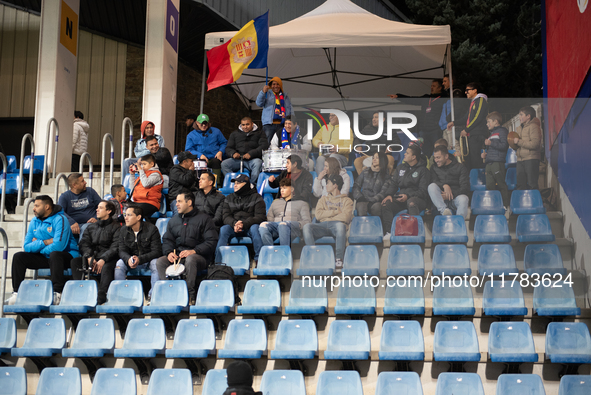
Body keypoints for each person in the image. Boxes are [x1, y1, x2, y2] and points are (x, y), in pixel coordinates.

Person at [7, 195, 79, 305]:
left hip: (67, 255)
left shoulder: (60, 219)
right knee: (19, 256)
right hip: (46, 256)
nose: (33, 208)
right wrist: (45, 242)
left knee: (55, 254)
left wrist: (38, 247)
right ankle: (17, 293)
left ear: (47, 207)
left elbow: (59, 246)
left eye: (37, 205)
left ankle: (57, 292)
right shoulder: (34, 221)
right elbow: (26, 246)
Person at [156, 190, 218, 304]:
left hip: (199, 257)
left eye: (179, 201)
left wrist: (194, 251)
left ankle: (190, 295)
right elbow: (167, 240)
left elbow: (211, 241)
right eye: (176, 202)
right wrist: (169, 252)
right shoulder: (173, 220)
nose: (176, 204)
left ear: (189, 202)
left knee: (191, 259)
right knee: (160, 261)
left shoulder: (205, 219)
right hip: (179, 256)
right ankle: (167, 294)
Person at [70, 200, 121, 304]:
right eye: (97, 207)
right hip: (93, 257)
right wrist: (89, 257)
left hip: (109, 258)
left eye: (101, 208)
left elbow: (116, 247)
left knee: (107, 266)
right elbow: (84, 244)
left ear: (109, 211)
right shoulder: (91, 227)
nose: (97, 210)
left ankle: (102, 294)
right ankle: (81, 291)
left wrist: (103, 259)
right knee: (76, 262)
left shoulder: (117, 227)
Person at [376, 145, 430, 236]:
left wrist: (408, 196)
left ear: (414, 157)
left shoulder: (423, 171)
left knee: (411, 202)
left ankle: (414, 233)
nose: (404, 154)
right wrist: (389, 194)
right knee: (386, 204)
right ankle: (389, 233)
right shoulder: (400, 167)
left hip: (417, 199)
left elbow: (423, 191)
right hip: (401, 197)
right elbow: (394, 184)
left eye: (407, 153)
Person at [303, 174, 353, 269]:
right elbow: (318, 215)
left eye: (328, 183)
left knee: (340, 226)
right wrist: (335, 212)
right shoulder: (323, 199)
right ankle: (313, 257)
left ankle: (339, 259)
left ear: (335, 185)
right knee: (307, 227)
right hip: (322, 225)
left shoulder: (347, 201)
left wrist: (327, 216)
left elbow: (345, 217)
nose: (326, 186)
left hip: (337, 226)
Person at [216, 174, 266, 265]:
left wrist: (244, 224)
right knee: (224, 229)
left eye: (238, 183)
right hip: (233, 226)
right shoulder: (229, 198)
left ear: (246, 184)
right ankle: (218, 262)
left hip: (249, 226)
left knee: (255, 228)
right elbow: (225, 216)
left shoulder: (256, 197)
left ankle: (260, 260)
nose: (235, 185)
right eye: (235, 183)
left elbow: (260, 217)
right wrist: (235, 223)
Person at [389, 79, 446, 157]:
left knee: (438, 150)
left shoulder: (443, 99)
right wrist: (398, 96)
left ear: (440, 88)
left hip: (435, 130)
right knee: (425, 153)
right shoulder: (426, 98)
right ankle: (426, 167)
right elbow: (412, 99)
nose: (431, 87)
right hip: (424, 130)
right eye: (431, 86)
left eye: (434, 86)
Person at [115, 205, 162, 299]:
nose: (126, 218)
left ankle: (153, 296)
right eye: (125, 215)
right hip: (131, 259)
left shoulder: (151, 229)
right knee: (119, 263)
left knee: (156, 263)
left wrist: (140, 259)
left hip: (148, 260)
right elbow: (121, 250)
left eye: (129, 215)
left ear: (138, 217)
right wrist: (128, 259)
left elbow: (157, 251)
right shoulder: (123, 230)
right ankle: (121, 295)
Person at [447, 82, 489, 170]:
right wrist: (454, 123)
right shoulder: (472, 103)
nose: (465, 92)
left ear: (475, 90)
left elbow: (478, 117)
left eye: (468, 90)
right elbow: (466, 118)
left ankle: (479, 180)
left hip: (478, 134)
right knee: (469, 159)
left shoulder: (480, 100)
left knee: (476, 159)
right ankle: (472, 180)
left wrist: (466, 129)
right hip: (471, 135)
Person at [259, 178, 311, 246]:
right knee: (263, 225)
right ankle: (270, 252)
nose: (282, 191)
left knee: (283, 224)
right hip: (276, 228)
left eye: (284, 188)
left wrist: (297, 224)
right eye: (281, 188)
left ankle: (284, 253)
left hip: (292, 229)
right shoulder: (275, 203)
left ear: (292, 189)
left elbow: (307, 222)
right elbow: (270, 220)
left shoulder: (302, 203)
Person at [221, 117, 269, 185]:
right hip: (238, 159)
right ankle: (234, 184)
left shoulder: (260, 133)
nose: (245, 127)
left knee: (258, 163)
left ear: (252, 124)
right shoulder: (234, 134)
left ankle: (251, 185)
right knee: (224, 164)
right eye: (243, 125)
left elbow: (264, 146)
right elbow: (228, 148)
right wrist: (233, 153)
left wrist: (251, 154)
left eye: (247, 124)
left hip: (253, 159)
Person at [428, 145, 471, 218]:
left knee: (464, 198)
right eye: (435, 158)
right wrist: (444, 185)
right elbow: (433, 180)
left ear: (446, 156)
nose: (436, 160)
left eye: (438, 157)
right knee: (431, 186)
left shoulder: (460, 167)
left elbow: (465, 187)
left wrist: (451, 195)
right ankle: (445, 211)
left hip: (455, 198)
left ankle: (459, 224)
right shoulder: (434, 167)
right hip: (441, 199)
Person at [185, 113, 227, 184]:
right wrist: (199, 155)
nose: (204, 125)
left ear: (209, 123)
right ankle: (198, 186)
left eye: (206, 123)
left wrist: (221, 151)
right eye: (201, 124)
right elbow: (189, 149)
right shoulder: (191, 135)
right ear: (197, 123)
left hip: (214, 158)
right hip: (200, 160)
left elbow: (224, 143)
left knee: (216, 162)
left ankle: (216, 185)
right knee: (198, 164)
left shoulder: (216, 132)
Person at [482, 111, 510, 207]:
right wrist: (485, 155)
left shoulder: (502, 131)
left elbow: (504, 146)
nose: (486, 124)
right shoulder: (491, 133)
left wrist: (491, 143)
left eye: (488, 121)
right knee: (490, 186)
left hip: (497, 163)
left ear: (496, 121)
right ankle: (493, 205)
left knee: (501, 184)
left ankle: (505, 206)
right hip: (489, 163)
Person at [255, 77, 294, 143]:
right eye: (273, 84)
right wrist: (262, 92)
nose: (275, 86)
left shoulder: (285, 97)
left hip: (282, 124)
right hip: (269, 125)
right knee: (267, 143)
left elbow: (290, 109)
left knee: (281, 143)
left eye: (278, 84)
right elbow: (259, 103)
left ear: (280, 85)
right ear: (270, 85)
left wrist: (293, 121)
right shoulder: (267, 94)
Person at [513, 106, 542, 190]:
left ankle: (535, 203)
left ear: (528, 116)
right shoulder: (519, 128)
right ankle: (522, 203)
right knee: (520, 185)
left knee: (532, 184)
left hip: (531, 159)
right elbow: (519, 144)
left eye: (521, 115)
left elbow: (535, 144)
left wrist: (519, 142)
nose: (519, 117)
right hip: (520, 159)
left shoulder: (534, 127)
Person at [128, 154, 163, 219]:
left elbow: (146, 184)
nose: (142, 166)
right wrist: (132, 175)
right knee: (125, 211)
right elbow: (132, 189)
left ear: (152, 164)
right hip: (137, 202)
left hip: (150, 203)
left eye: (144, 164)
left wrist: (141, 170)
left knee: (134, 213)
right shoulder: (142, 174)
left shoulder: (156, 174)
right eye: (141, 164)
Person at [169, 151, 198, 215]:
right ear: (184, 162)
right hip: (177, 198)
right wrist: (190, 171)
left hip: (191, 198)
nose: (193, 163)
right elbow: (186, 181)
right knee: (178, 214)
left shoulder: (191, 171)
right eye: (191, 161)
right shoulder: (175, 170)